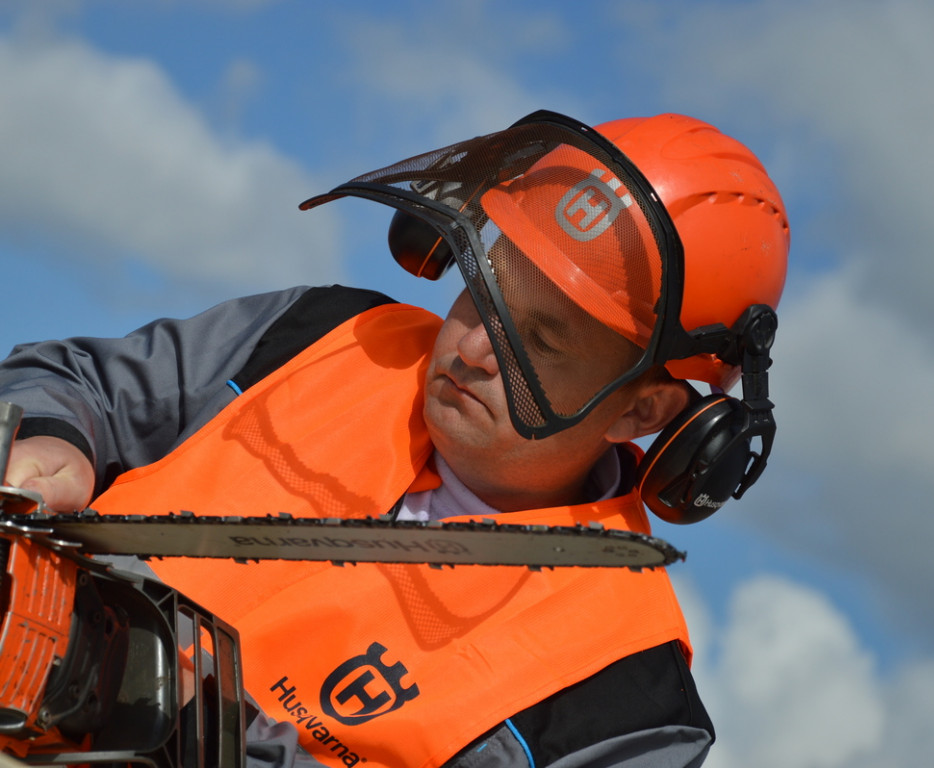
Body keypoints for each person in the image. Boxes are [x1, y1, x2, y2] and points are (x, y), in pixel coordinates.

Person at [0, 110, 788, 767]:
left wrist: (170, 713)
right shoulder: (327, 334)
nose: (473, 348)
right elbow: (80, 380)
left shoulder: (620, 701)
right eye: (485, 292)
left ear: (641, 414)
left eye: (539, 343)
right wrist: (49, 442)